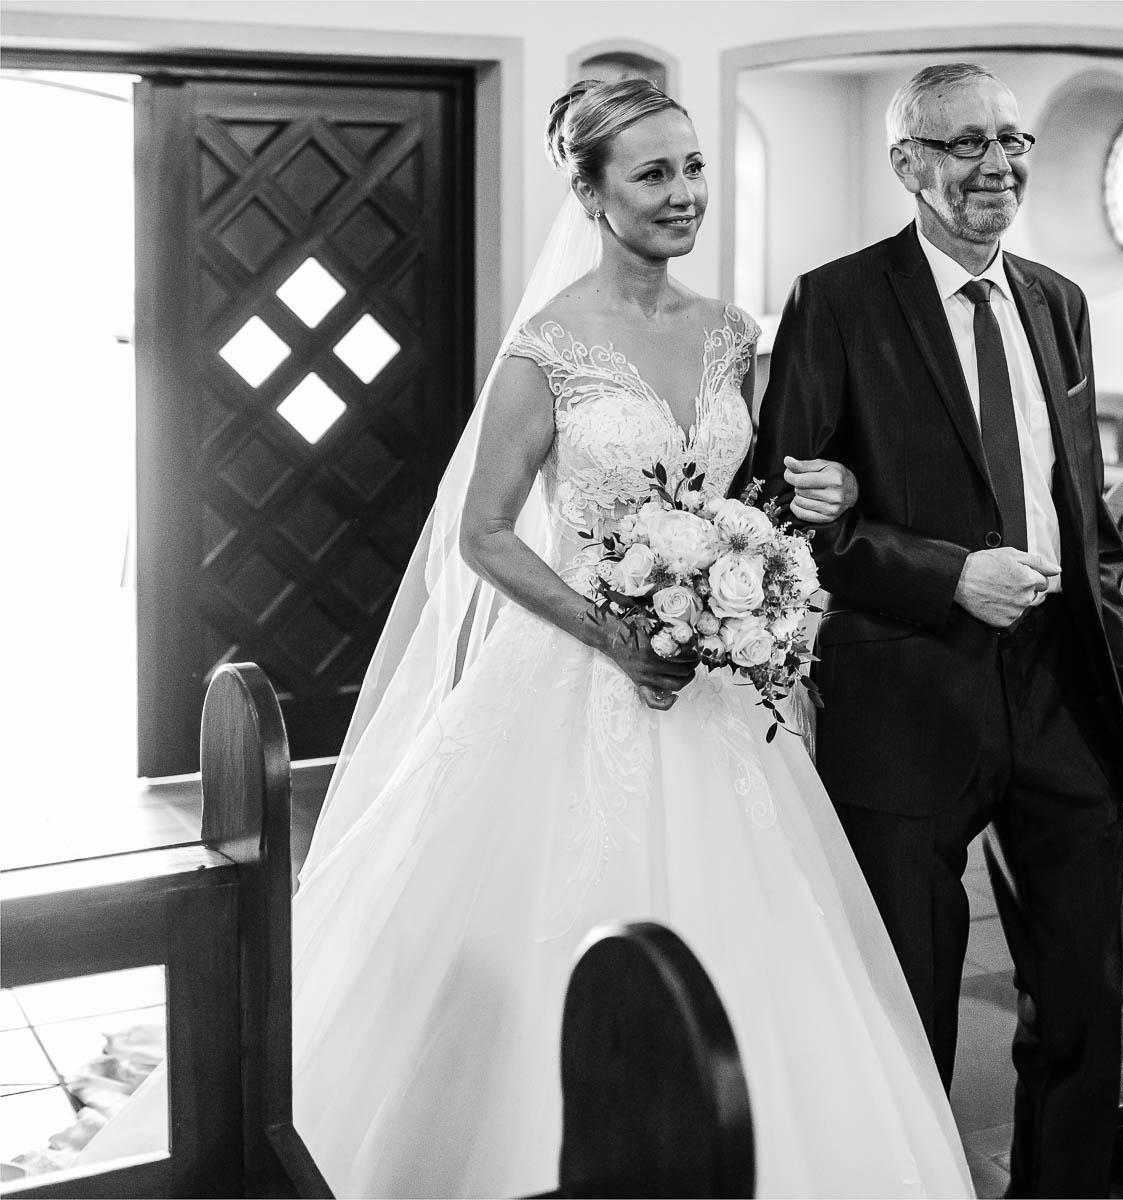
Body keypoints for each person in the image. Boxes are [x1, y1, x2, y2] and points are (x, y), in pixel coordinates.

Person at [79, 79, 974, 1200]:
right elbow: (485, 535)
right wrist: (615, 631)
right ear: (592, 196)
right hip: (573, 679)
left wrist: (820, 500)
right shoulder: (548, 349)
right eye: (653, 174)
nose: (685, 193)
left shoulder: (737, 335)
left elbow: (758, 499)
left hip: (715, 693)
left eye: (693, 167)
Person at [750, 63, 1123, 1198]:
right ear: (907, 165)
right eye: (962, 146)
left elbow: (1081, 514)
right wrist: (945, 576)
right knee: (912, 996)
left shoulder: (1056, 302)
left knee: (1080, 989)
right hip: (908, 689)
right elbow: (778, 519)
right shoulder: (835, 302)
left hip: (1058, 683)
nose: (995, 166)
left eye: (1012, 141)